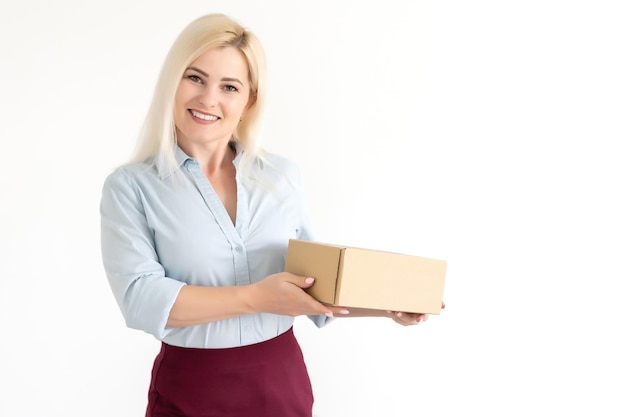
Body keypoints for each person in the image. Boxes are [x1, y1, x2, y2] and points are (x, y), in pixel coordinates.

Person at [100, 13, 435, 417]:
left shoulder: (281, 177)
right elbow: (141, 299)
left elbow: (316, 284)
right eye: (195, 78)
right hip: (191, 388)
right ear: (172, 81)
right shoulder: (130, 187)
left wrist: (388, 306)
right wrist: (257, 297)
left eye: (229, 86)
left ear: (248, 101)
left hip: (281, 381)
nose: (208, 99)